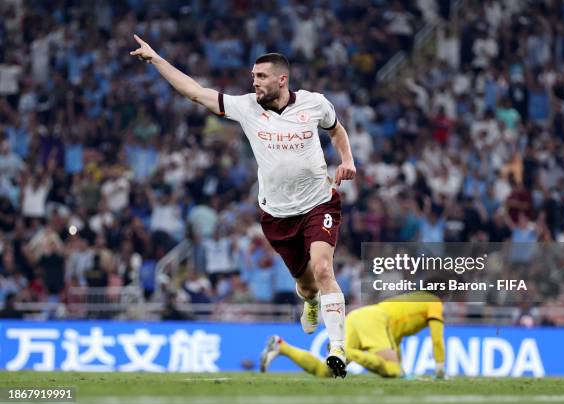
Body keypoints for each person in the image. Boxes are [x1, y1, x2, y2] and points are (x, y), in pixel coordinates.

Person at [130, 35, 356, 377]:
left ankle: (337, 348)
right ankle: (310, 302)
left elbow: (336, 130)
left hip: (319, 203)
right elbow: (195, 92)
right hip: (277, 215)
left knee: (324, 270)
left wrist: (347, 159)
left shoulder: (315, 104)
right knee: (309, 285)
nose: (254, 82)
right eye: (253, 77)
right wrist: (157, 59)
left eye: (261, 77)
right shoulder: (247, 107)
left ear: (282, 79)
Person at [260, 290, 446, 379]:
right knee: (393, 371)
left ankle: (281, 346)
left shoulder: (414, 300)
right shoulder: (435, 303)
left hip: (358, 316)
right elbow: (437, 337)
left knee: (325, 372)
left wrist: (403, 370)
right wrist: (439, 369)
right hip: (374, 320)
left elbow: (394, 339)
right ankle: (347, 352)